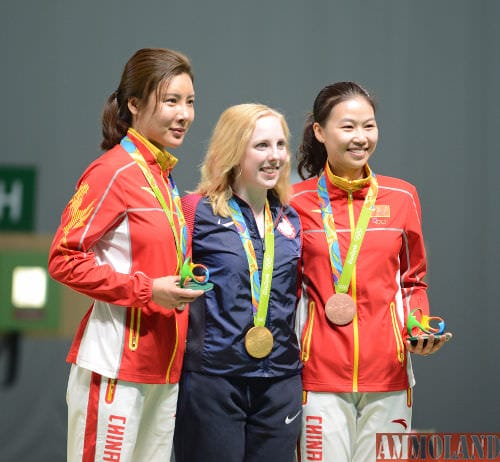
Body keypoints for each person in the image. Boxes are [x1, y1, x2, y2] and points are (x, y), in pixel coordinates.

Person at [47, 47, 204, 462]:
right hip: (115, 368)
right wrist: (146, 289)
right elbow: (63, 258)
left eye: (189, 102)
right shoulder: (112, 172)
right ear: (134, 105)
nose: (184, 114)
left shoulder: (164, 178)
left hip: (163, 370)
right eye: (170, 101)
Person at [291, 82, 452, 462]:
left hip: (390, 377)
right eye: (348, 127)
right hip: (318, 378)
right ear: (319, 131)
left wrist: (417, 328)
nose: (361, 138)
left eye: (369, 126)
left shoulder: (402, 197)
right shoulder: (294, 201)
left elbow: (413, 280)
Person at [173, 103, 303, 462]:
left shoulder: (292, 219)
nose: (274, 156)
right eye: (261, 145)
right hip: (214, 379)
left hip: (280, 381)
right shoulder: (194, 212)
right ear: (233, 150)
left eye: (280, 145)